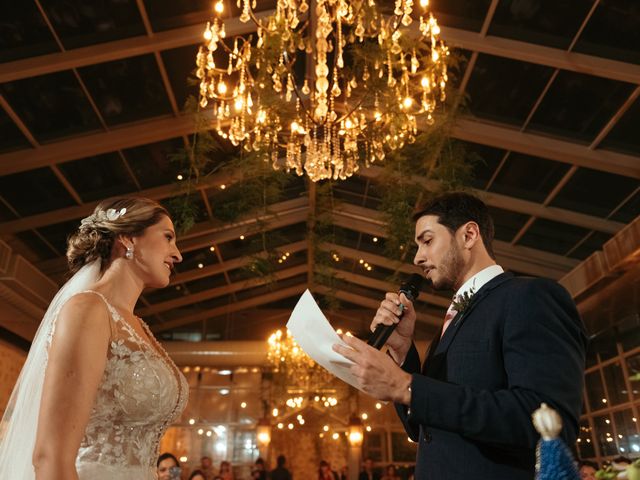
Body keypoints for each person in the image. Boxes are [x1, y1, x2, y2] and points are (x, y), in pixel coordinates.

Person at [333, 192, 587, 479]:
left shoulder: (530, 297)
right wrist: (404, 352)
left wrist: (407, 387)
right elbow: (423, 430)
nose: (417, 258)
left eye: (427, 241)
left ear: (468, 235)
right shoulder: (451, 322)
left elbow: (549, 423)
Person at [0, 197, 187, 479]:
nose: (178, 255)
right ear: (128, 238)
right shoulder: (88, 310)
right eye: (168, 237)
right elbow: (49, 455)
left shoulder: (138, 326)